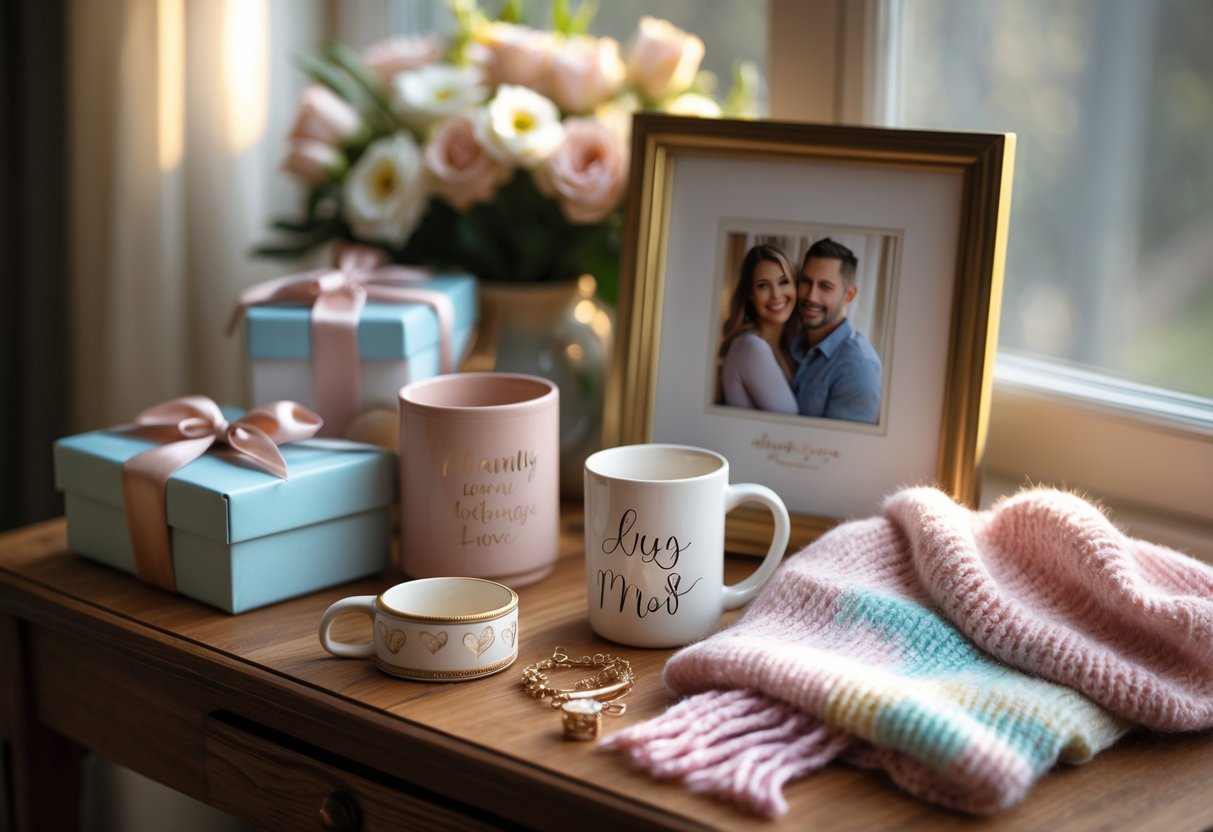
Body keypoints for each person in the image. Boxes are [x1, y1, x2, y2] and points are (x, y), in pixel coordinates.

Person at [791, 238, 883, 424]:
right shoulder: (792, 342)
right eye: (806, 282)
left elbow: (842, 450)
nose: (811, 296)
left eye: (825, 287)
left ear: (849, 295)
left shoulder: (858, 366)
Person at [717, 244, 799, 414]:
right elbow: (791, 425)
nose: (776, 295)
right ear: (750, 295)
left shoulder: (786, 348)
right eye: (763, 285)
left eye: (783, 282)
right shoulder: (751, 347)